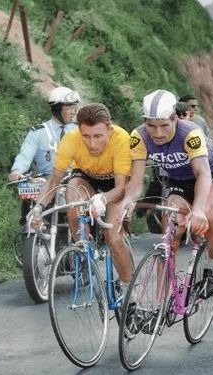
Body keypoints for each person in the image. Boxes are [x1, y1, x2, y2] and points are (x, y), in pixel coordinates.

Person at [120, 89, 213, 291]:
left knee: (209, 215)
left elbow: (202, 174)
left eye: (164, 126)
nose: (158, 133)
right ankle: (159, 309)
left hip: (212, 173)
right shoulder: (139, 136)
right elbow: (136, 181)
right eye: (151, 126)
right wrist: (128, 199)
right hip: (178, 180)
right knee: (170, 235)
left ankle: (212, 266)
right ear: (144, 121)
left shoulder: (190, 133)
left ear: (175, 119)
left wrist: (197, 210)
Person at [29, 103, 134, 290]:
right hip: (86, 177)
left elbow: (120, 188)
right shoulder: (71, 139)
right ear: (79, 130)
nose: (92, 144)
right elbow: (54, 181)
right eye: (86, 136)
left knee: (113, 238)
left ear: (109, 129)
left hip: (115, 183)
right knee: (72, 191)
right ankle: (83, 250)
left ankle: (130, 290)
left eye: (98, 136)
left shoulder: (121, 139)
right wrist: (37, 208)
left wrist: (103, 199)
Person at [9, 86, 80, 224]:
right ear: (58, 109)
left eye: (74, 107)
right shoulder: (38, 133)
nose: (73, 112)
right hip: (46, 181)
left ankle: (91, 239)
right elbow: (25, 155)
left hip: (73, 180)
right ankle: (30, 231)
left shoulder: (79, 132)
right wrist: (17, 171)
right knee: (29, 196)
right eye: (69, 108)